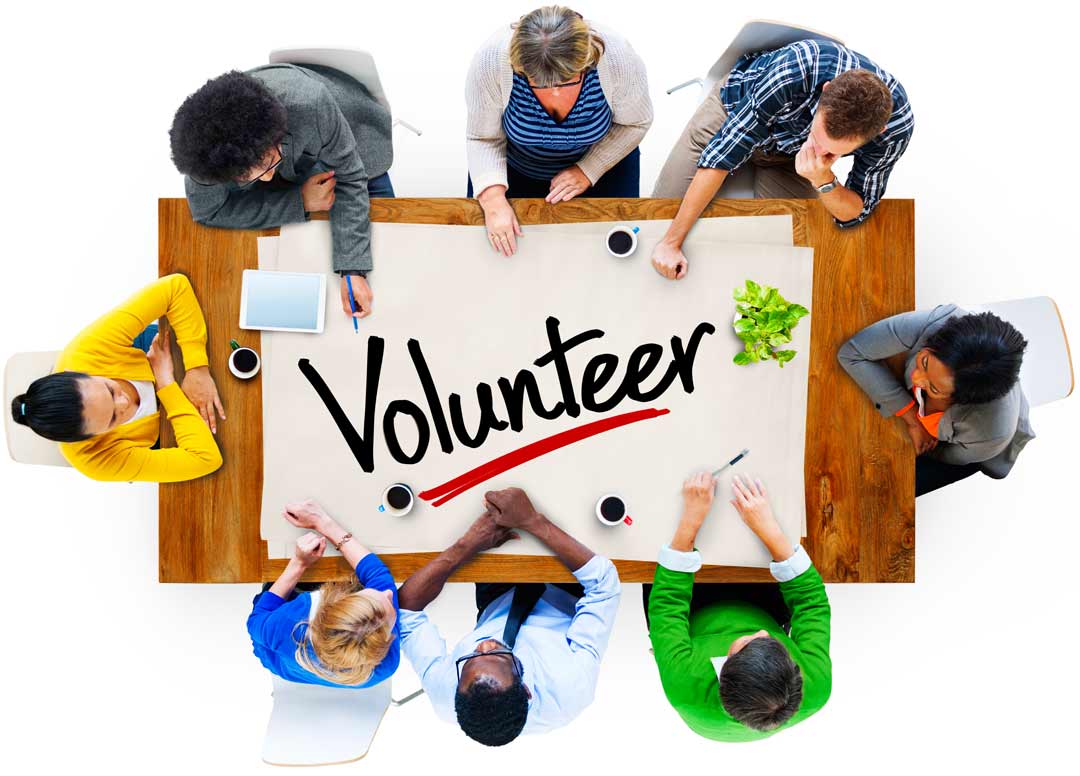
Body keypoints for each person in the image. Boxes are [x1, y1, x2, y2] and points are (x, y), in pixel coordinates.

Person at [651, 39, 914, 280]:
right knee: (657, 222)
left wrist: (823, 179)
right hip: (734, 112)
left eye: (832, 152)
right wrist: (671, 242)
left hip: (788, 156)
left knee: (791, 256)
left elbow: (856, 212)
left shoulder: (895, 130)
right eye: (817, 136)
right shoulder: (795, 68)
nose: (819, 150)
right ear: (826, 90)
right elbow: (723, 155)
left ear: (878, 132)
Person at [396, 487, 620, 746]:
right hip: (568, 585)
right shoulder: (570, 688)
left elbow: (405, 610)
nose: (485, 645)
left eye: (470, 659)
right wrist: (532, 521)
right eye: (499, 656)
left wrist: (468, 545)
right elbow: (603, 585)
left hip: (497, 593)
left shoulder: (445, 693)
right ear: (525, 689)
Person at [169, 63, 394, 319]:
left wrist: (353, 269)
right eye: (248, 177)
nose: (266, 178)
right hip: (294, 158)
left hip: (352, 131)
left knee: (387, 260)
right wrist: (299, 202)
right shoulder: (204, 157)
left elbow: (352, 176)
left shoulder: (310, 103)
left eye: (267, 165)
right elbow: (208, 212)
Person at [646, 472, 831, 741]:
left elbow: (666, 607)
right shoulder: (816, 686)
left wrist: (692, 519)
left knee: (656, 539)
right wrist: (769, 529)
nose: (763, 633)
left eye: (750, 642)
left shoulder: (684, 686)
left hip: (690, 619)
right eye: (775, 643)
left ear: (723, 664)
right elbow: (811, 605)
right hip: (763, 609)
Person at [466, 5, 653, 256]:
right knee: (499, 256)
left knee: (605, 258)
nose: (553, 92)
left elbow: (635, 123)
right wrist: (492, 200)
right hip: (515, 169)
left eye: (566, 81)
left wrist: (589, 169)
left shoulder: (618, 58)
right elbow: (482, 137)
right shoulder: (491, 61)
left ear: (586, 62)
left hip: (604, 166)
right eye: (539, 83)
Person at [10, 274, 224, 482]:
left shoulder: (85, 351)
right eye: (113, 417)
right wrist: (166, 384)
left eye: (110, 390)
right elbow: (205, 458)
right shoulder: (93, 460)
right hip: (165, 426)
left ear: (81, 372)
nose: (125, 402)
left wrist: (197, 368)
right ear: (90, 438)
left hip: (154, 354)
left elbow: (175, 288)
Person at [838, 305, 1031, 495]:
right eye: (924, 361)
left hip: (963, 449)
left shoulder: (990, 434)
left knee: (885, 490)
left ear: (960, 400)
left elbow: (947, 456)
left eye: (934, 388)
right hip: (941, 413)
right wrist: (913, 419)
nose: (916, 378)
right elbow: (852, 354)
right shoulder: (938, 322)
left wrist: (925, 446)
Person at [247, 500, 400, 688]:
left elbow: (256, 620)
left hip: (276, 655)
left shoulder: (290, 620)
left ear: (336, 602)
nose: (388, 594)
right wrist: (323, 523)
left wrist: (299, 563)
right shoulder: (386, 664)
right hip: (301, 666)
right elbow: (379, 576)